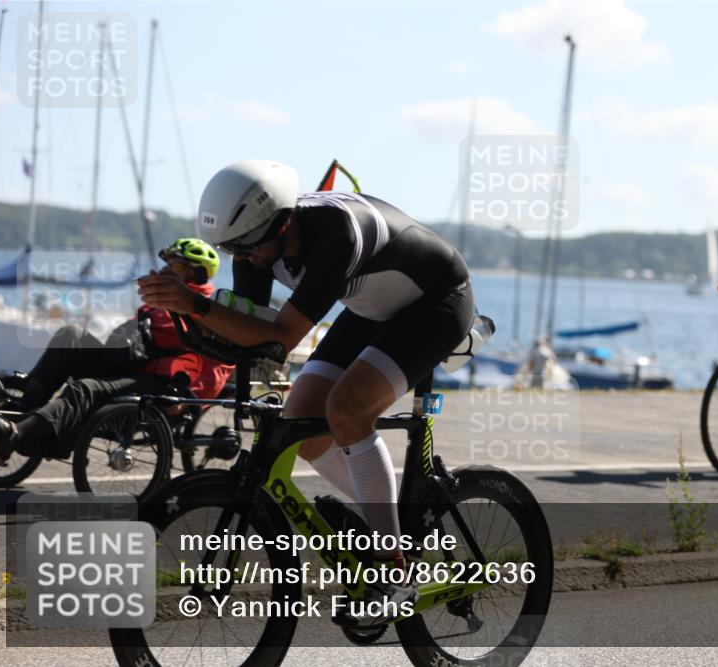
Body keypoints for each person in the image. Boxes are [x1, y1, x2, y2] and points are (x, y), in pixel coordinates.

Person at [135, 160, 475, 625]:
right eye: (235, 249)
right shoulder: (253, 239)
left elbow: (280, 336)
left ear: (283, 221)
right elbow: (246, 329)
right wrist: (190, 316)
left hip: (436, 304)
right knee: (304, 425)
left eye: (252, 247)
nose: (248, 258)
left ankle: (396, 572)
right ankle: (387, 528)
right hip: (372, 309)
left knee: (348, 410)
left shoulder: (334, 235)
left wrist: (195, 304)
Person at [0, 238, 233, 465]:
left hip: (159, 382)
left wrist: (189, 400)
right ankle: (21, 412)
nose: (167, 269)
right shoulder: (160, 299)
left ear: (198, 275)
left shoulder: (205, 310)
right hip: (125, 361)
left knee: (85, 389)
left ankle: (13, 435)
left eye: (177, 266)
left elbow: (218, 365)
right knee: (70, 334)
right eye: (167, 263)